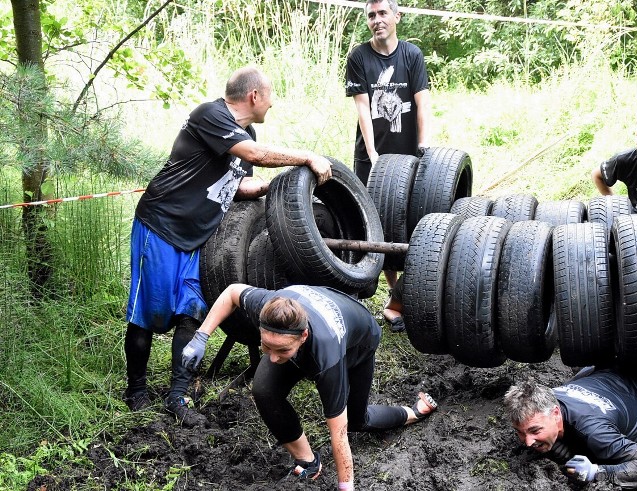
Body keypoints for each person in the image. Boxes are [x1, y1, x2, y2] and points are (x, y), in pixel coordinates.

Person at [124, 66, 333, 427]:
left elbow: (240, 186)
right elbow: (254, 155)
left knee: (192, 311)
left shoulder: (244, 131)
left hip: (197, 235)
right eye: (270, 95)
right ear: (254, 96)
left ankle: (178, 396)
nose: (272, 103)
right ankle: (136, 391)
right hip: (160, 226)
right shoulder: (210, 115)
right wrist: (306, 156)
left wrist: (279, 189)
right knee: (148, 312)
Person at [180, 283, 438, 488]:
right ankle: (308, 460)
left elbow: (339, 434)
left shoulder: (327, 358)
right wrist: (201, 337)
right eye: (265, 345)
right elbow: (233, 291)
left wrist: (345, 486)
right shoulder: (267, 307)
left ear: (303, 336)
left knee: (358, 420)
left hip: (359, 341)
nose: (271, 357)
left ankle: (412, 412)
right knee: (265, 390)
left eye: (280, 349)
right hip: (313, 310)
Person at [345, 0, 432, 319]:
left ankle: (399, 299)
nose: (377, 20)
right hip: (373, 158)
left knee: (413, 222)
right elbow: (362, 108)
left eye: (383, 13)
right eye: (371, 15)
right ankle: (393, 299)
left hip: (408, 156)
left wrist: (423, 146)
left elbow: (422, 104)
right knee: (378, 225)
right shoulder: (359, 56)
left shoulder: (412, 55)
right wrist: (372, 155)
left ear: (397, 16)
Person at [504, 367, 637, 489]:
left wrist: (598, 472)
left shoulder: (595, 432)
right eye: (520, 432)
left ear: (556, 414)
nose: (527, 442)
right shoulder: (548, 396)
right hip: (610, 369)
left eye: (535, 431)